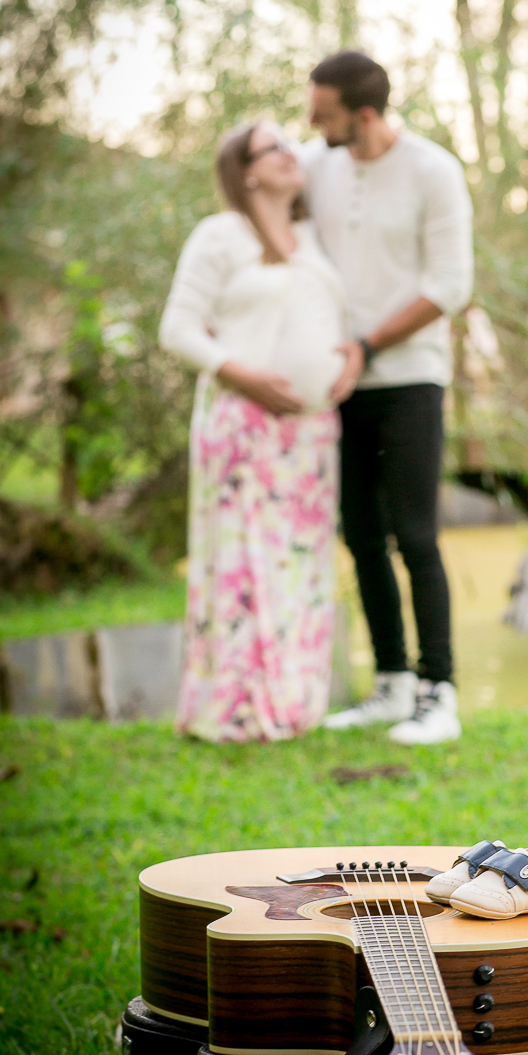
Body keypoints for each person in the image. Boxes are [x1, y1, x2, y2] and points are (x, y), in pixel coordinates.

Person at [300, 50, 474, 745]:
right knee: (361, 536)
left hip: (410, 380)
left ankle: (440, 693)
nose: (311, 126)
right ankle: (391, 685)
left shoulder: (434, 171)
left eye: (323, 113)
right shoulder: (317, 165)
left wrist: (367, 346)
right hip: (335, 386)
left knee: (416, 535)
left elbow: (450, 286)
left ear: (363, 114)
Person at [159, 121, 352, 742]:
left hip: (311, 433)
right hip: (243, 427)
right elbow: (179, 328)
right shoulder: (220, 236)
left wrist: (349, 356)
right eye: (275, 149)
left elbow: (328, 315)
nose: (291, 155)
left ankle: (295, 701)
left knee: (302, 567)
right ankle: (236, 707)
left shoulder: (311, 236)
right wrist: (243, 374)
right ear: (246, 171)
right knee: (245, 566)